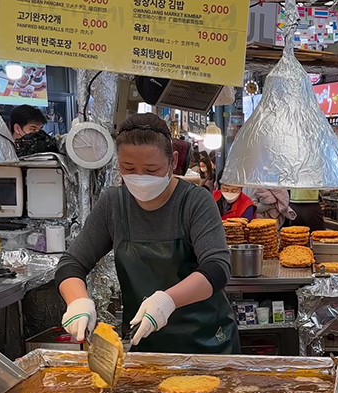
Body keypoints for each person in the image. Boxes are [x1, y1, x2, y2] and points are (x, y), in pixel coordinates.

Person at [56, 113, 238, 353]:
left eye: (151, 169)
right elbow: (72, 263)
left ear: (173, 161)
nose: (140, 178)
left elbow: (217, 267)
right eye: (128, 168)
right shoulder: (114, 204)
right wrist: (77, 301)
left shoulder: (195, 202)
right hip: (145, 343)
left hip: (206, 342)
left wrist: (168, 300)